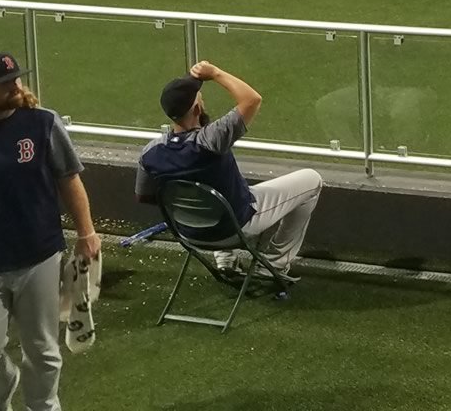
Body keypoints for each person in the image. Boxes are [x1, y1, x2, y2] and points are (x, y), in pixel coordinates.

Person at [0, 52, 101, 411]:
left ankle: (44, 405)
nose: (15, 86)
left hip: (39, 255)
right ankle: (3, 386)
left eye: (17, 79)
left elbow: (69, 179)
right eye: (5, 83)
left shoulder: (43, 123)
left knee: (42, 349)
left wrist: (86, 232)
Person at [136, 62, 323, 285]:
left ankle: (225, 260)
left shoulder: (151, 153)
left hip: (189, 233)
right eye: (200, 97)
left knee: (216, 190)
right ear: (197, 109)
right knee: (312, 181)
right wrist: (215, 73)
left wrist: (188, 207)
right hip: (236, 227)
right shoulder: (212, 140)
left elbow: (144, 196)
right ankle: (274, 264)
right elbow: (252, 100)